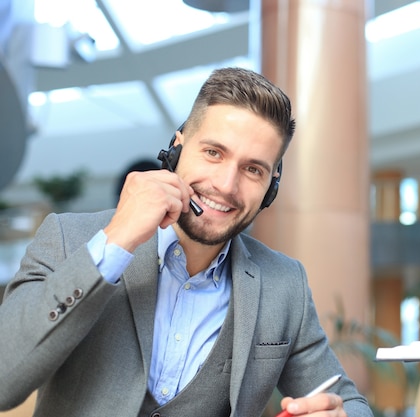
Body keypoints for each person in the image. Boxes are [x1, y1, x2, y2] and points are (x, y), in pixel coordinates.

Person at [0, 67, 373, 417]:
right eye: (213, 153)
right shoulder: (68, 239)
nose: (226, 186)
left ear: (271, 188)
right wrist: (116, 242)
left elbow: (352, 403)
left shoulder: (283, 285)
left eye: (253, 169)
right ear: (176, 150)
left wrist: (339, 413)